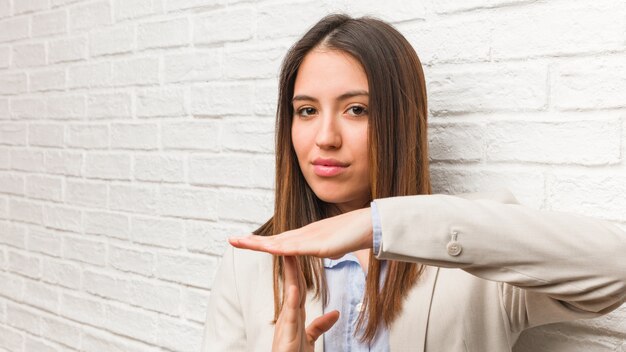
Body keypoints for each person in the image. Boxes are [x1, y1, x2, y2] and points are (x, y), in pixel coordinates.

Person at [202, 14, 626, 352]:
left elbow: (616, 266)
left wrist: (380, 225)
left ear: (400, 123)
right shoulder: (250, 264)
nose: (325, 138)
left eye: (356, 110)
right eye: (307, 111)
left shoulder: (475, 254)